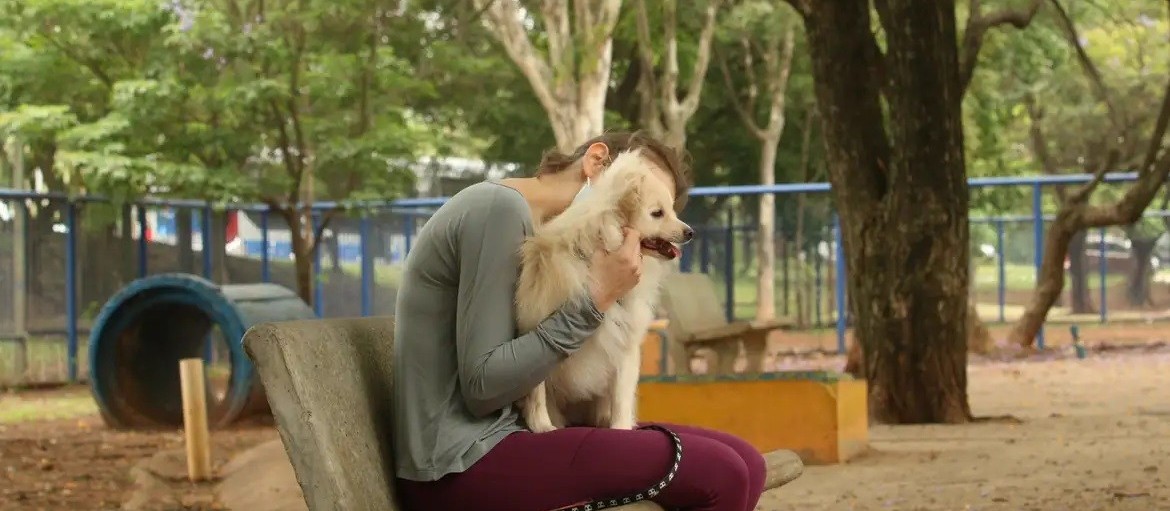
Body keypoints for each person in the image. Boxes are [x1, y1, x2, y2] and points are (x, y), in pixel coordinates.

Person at [392, 132, 769, 511]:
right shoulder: (498, 209)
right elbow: (483, 386)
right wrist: (596, 300)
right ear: (596, 161)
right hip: (461, 462)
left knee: (747, 462)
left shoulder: (533, 226)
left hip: (509, 439)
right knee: (723, 474)